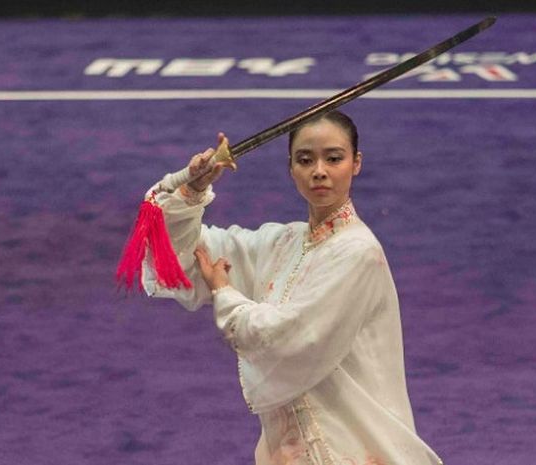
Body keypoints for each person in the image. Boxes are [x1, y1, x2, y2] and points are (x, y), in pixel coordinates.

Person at [141, 110, 442, 465]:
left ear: (356, 163)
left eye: (334, 158)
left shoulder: (359, 252)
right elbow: (179, 255)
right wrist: (190, 188)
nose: (319, 170)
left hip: (347, 448)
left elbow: (290, 339)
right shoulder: (280, 242)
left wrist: (225, 294)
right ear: (290, 168)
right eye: (305, 159)